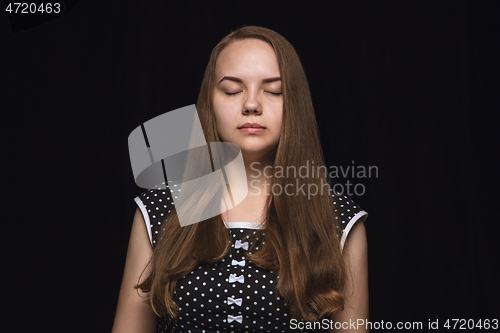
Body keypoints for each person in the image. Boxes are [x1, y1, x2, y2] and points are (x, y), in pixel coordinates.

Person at [112, 25, 369, 333]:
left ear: (295, 103)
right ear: (210, 102)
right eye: (232, 90)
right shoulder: (159, 210)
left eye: (273, 90)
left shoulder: (339, 219)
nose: (251, 104)